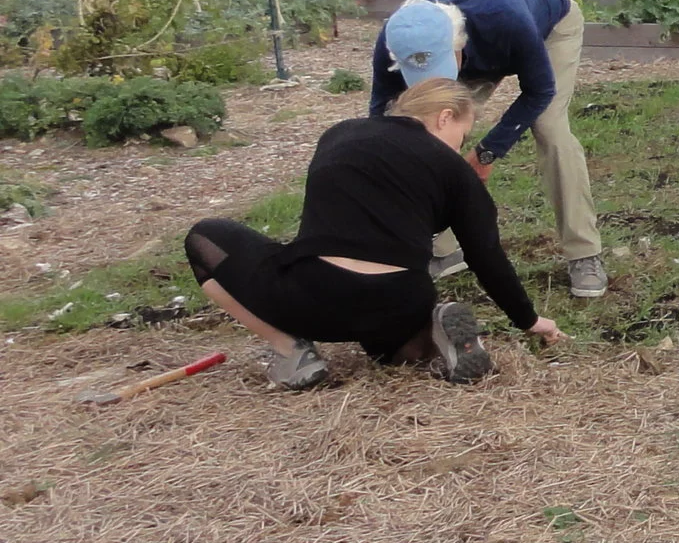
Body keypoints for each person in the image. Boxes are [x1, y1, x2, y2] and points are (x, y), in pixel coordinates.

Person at [186, 78, 566, 390]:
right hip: (401, 301)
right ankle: (426, 340)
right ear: (444, 117)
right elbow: (486, 255)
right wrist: (529, 319)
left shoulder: (340, 135)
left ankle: (292, 352)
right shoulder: (456, 172)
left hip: (313, 298)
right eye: (462, 136)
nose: (459, 148)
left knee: (205, 237)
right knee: (391, 350)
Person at [369, 0, 607, 299]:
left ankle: (584, 253)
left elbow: (539, 91)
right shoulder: (397, 38)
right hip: (482, 47)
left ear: (457, 43)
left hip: (550, 26)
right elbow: (382, 119)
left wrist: (487, 153)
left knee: (550, 128)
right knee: (426, 130)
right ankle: (445, 248)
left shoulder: (505, 19)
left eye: (440, 67)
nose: (436, 83)